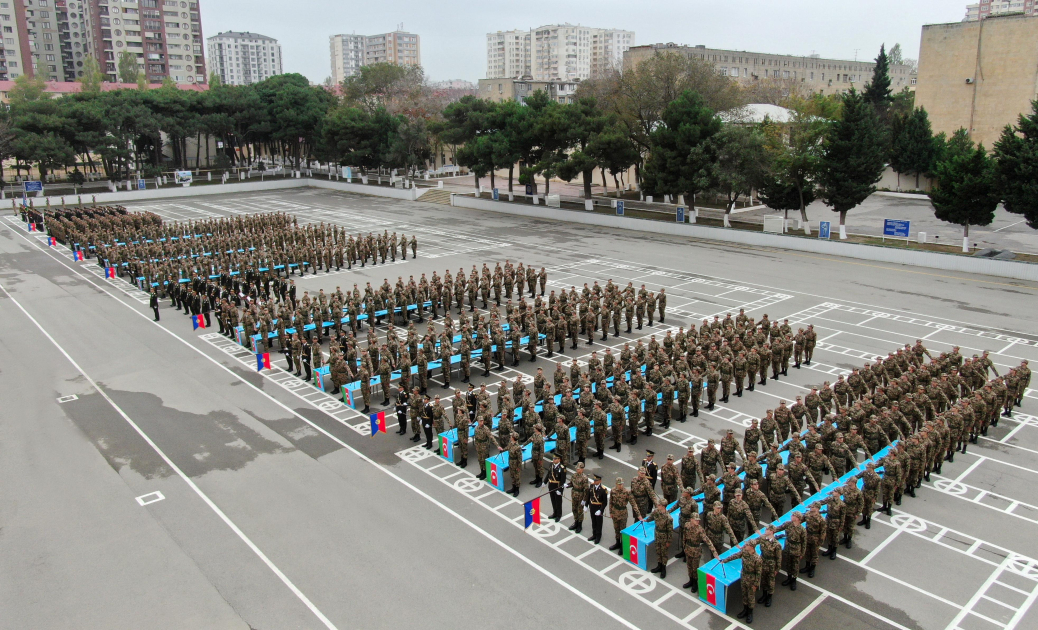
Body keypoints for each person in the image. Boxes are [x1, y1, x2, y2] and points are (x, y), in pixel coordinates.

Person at [720, 538, 763, 623]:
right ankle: (745, 609)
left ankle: (750, 613)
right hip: (744, 576)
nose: (745, 546)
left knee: (750, 596)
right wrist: (725, 560)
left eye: (747, 545)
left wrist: (755, 585)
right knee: (744, 594)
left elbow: (758, 573)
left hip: (751, 579)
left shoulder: (757, 559)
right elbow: (735, 556)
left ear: (752, 547)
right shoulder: (744, 552)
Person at [681, 510, 718, 590]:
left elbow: (707, 540)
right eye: (696, 520)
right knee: (689, 567)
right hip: (688, 548)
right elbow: (684, 536)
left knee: (695, 568)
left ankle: (695, 583)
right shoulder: (687, 525)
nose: (698, 521)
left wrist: (714, 551)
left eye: (698, 520)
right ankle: (690, 580)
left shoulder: (700, 530)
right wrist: (684, 546)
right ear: (691, 519)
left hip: (696, 551)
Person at [608, 478, 641, 554]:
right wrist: (611, 512)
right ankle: (617, 543)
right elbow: (611, 502)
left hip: (623, 513)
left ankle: (622, 546)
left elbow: (633, 504)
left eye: (622, 484)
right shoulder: (613, 491)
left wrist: (638, 515)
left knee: (622, 530)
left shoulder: (627, 492)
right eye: (619, 484)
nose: (621, 485)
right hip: (615, 512)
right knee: (616, 529)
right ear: (616, 484)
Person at [646, 500, 673, 577]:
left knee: (664, 553)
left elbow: (670, 531)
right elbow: (651, 517)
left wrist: (669, 541)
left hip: (664, 536)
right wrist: (646, 520)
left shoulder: (668, 518)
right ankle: (659, 565)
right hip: (657, 534)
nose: (658, 505)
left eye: (659, 505)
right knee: (658, 550)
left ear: (663, 506)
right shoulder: (656, 511)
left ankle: (663, 568)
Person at [544, 451, 566, 521]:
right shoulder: (551, 465)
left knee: (558, 501)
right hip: (551, 485)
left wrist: (560, 490)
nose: (554, 460)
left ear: (559, 459)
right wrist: (544, 482)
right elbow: (549, 474)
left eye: (555, 459)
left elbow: (563, 480)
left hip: (557, 486)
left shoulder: (562, 468)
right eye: (553, 458)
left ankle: (559, 515)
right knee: (553, 500)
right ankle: (554, 513)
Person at [568, 462, 589, 533]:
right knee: (574, 509)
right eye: (577, 469)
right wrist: (567, 485)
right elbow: (571, 484)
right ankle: (576, 522)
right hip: (574, 495)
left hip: (580, 496)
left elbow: (586, 490)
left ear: (582, 469)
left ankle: (579, 525)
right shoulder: (574, 475)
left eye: (579, 469)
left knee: (580, 511)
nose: (577, 470)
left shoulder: (584, 478)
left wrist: (585, 500)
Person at [587, 474, 608, 544]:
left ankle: (598, 536)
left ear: (600, 481)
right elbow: (588, 496)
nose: (595, 481)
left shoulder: (603, 490)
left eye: (596, 480)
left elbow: (605, 502)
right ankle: (594, 534)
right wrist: (586, 505)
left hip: (598, 507)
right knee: (593, 521)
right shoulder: (592, 486)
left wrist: (601, 510)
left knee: (599, 523)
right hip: (592, 506)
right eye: (594, 480)